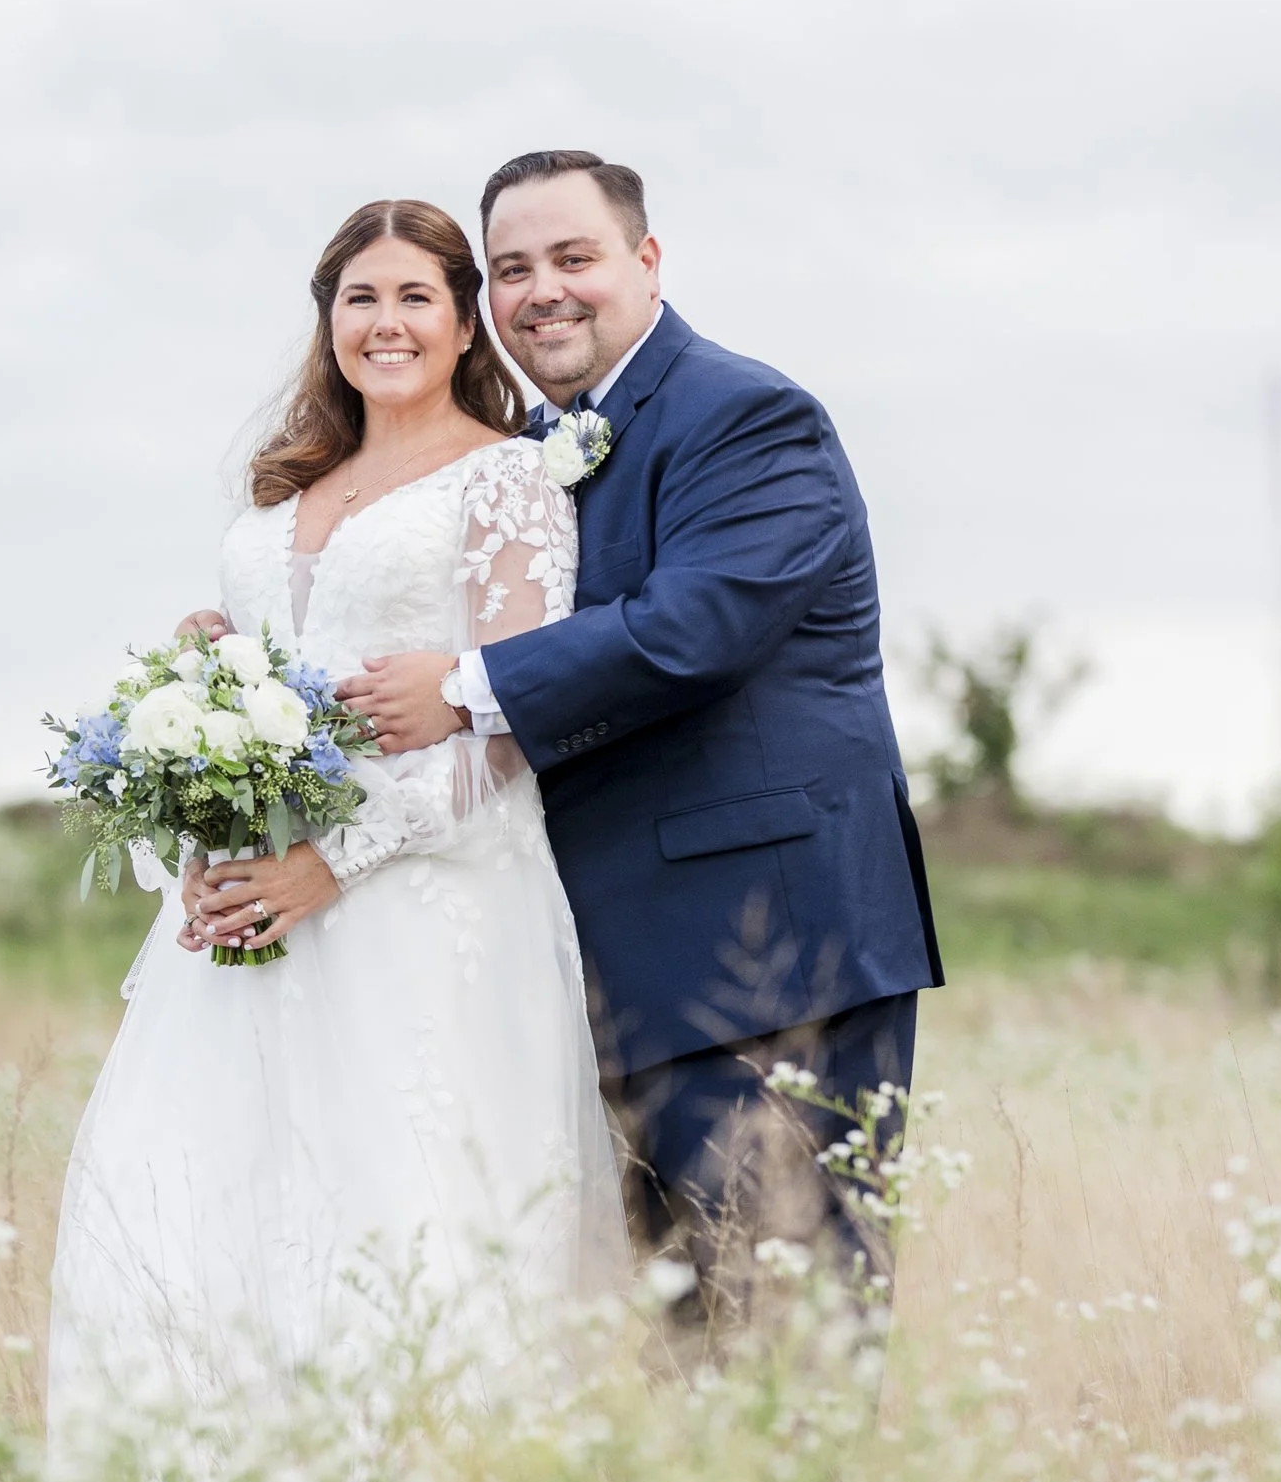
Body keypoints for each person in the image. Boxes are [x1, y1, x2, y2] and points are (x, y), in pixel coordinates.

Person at [203, 151, 945, 1324]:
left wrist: (465, 681)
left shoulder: (745, 414)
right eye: (512, 268)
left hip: (760, 950)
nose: (542, 290)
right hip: (594, 967)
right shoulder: (547, 447)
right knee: (680, 1335)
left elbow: (695, 627)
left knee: (789, 1323)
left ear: (645, 262)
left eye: (573, 258)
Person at [45, 200, 629, 1439]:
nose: (386, 323)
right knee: (209, 1207)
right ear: (329, 321)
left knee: (400, 1213)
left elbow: (512, 719)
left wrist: (331, 863)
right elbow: (265, 705)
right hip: (261, 909)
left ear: (463, 319)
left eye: (415, 296)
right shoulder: (282, 493)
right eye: (359, 298)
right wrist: (202, 750)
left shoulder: (510, 478)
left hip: (426, 898)